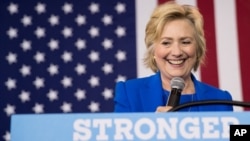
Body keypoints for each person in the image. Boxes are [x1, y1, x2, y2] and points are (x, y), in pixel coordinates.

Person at [113, 1, 233, 112]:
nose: (176, 52)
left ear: (197, 48)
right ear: (153, 50)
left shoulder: (222, 100)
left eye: (185, 42)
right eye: (166, 43)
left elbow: (238, 135)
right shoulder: (129, 93)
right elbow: (117, 135)